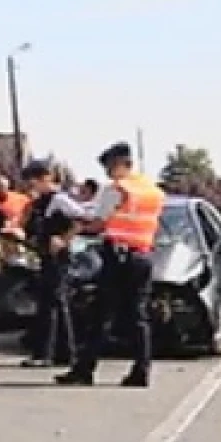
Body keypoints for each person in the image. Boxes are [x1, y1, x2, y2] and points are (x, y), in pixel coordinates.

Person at [58, 143, 164, 388]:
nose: (106, 173)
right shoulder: (151, 191)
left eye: (108, 167)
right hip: (143, 256)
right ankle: (141, 371)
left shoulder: (117, 189)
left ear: (119, 164)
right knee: (138, 316)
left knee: (101, 315)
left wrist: (75, 230)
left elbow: (98, 223)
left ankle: (84, 370)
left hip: (118, 258)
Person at [19, 161, 86, 368]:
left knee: (53, 304)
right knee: (53, 304)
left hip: (59, 258)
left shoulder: (59, 199)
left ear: (46, 178)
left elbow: (81, 219)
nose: (33, 187)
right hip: (46, 257)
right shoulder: (40, 203)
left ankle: (47, 353)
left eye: (35, 182)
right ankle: (63, 353)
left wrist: (63, 239)